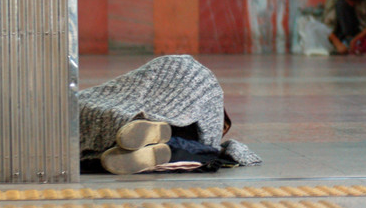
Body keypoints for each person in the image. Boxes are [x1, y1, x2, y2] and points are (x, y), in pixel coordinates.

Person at [79, 55, 261, 174]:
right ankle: (164, 145)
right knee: (206, 152)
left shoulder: (210, 101)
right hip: (193, 88)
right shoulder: (210, 117)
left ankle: (161, 140)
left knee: (111, 107)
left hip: (183, 75)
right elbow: (212, 145)